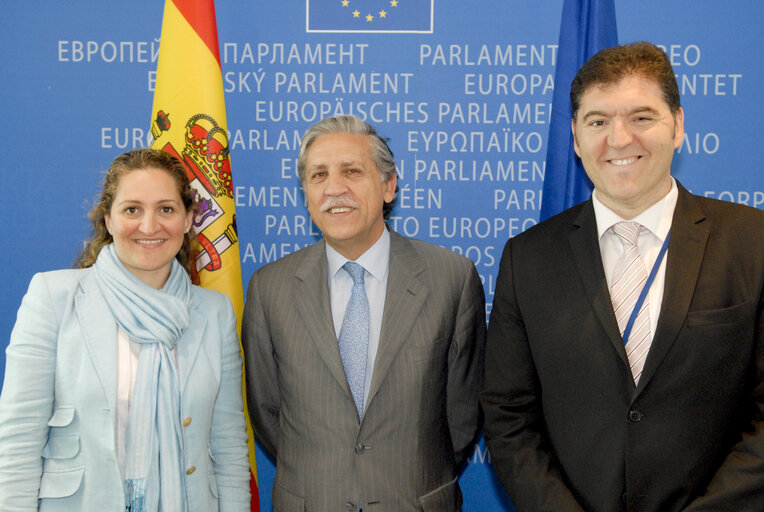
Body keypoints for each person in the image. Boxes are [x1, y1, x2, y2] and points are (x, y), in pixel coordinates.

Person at [481, 41, 764, 511]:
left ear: (678, 126)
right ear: (574, 136)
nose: (618, 139)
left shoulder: (752, 242)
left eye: (641, 117)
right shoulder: (527, 259)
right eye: (597, 122)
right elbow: (508, 417)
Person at [242, 114, 486, 511]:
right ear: (305, 194)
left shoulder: (451, 278)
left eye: (352, 171)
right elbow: (268, 413)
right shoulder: (270, 288)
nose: (334, 188)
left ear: (389, 186)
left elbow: (461, 414)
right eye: (318, 175)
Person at [0, 148, 251, 511]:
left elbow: (228, 446)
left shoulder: (214, 312)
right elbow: (19, 439)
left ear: (187, 219)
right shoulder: (54, 298)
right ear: (109, 219)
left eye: (166, 209)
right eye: (132, 209)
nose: (149, 226)